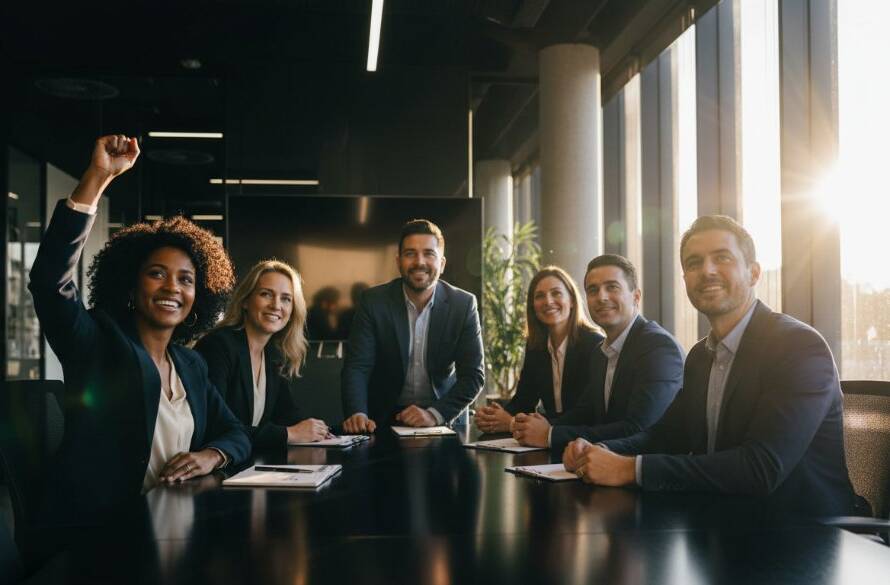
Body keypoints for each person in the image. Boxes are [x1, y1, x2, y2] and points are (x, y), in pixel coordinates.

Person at [564, 216, 858, 516]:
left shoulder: (798, 346)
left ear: (754, 273)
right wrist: (598, 450)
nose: (707, 271)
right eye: (693, 263)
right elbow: (665, 437)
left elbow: (761, 467)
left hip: (806, 532)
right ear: (685, 280)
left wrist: (630, 469)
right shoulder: (700, 357)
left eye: (722, 258)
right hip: (727, 523)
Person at [28, 135, 250, 523]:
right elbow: (50, 282)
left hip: (170, 524)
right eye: (156, 274)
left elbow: (236, 433)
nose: (172, 288)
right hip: (103, 537)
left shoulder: (189, 365)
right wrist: (96, 179)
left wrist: (210, 455)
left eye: (186, 280)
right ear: (131, 287)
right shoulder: (98, 343)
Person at [511, 255, 684, 450]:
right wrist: (540, 426)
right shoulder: (600, 353)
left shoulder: (658, 347)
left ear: (636, 297)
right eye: (593, 290)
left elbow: (638, 429)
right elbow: (586, 412)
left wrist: (550, 434)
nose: (601, 297)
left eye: (612, 287)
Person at [341, 219, 484, 433]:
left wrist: (434, 414)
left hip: (442, 417)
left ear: (442, 264)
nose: (419, 262)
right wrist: (357, 412)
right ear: (398, 262)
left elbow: (473, 375)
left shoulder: (463, 305)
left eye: (429, 253)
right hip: (383, 418)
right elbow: (357, 367)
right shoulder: (373, 302)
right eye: (410, 254)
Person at [194, 260, 331, 449]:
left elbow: (289, 417)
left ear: (292, 311)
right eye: (266, 294)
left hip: (247, 465)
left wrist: (332, 430)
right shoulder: (218, 346)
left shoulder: (273, 355)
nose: (276, 305)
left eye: (286, 299)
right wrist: (289, 434)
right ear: (245, 301)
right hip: (212, 465)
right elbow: (216, 426)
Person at [474, 266, 603, 434]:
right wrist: (494, 417)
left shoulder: (595, 344)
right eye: (540, 296)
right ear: (533, 306)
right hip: (545, 443)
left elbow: (586, 414)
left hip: (583, 441)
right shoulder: (537, 347)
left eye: (556, 293)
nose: (548, 301)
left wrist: (512, 423)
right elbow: (524, 401)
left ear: (571, 300)